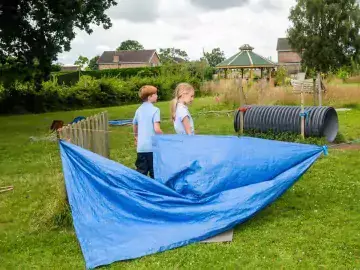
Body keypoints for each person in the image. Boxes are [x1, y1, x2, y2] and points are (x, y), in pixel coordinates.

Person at [133, 85, 163, 178]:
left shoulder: (138, 110)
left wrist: (136, 136)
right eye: (155, 94)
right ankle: (157, 190)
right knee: (155, 172)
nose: (157, 96)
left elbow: (134, 124)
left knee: (141, 172)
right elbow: (157, 129)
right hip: (152, 148)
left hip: (141, 148)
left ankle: (140, 190)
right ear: (150, 97)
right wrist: (164, 138)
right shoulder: (155, 110)